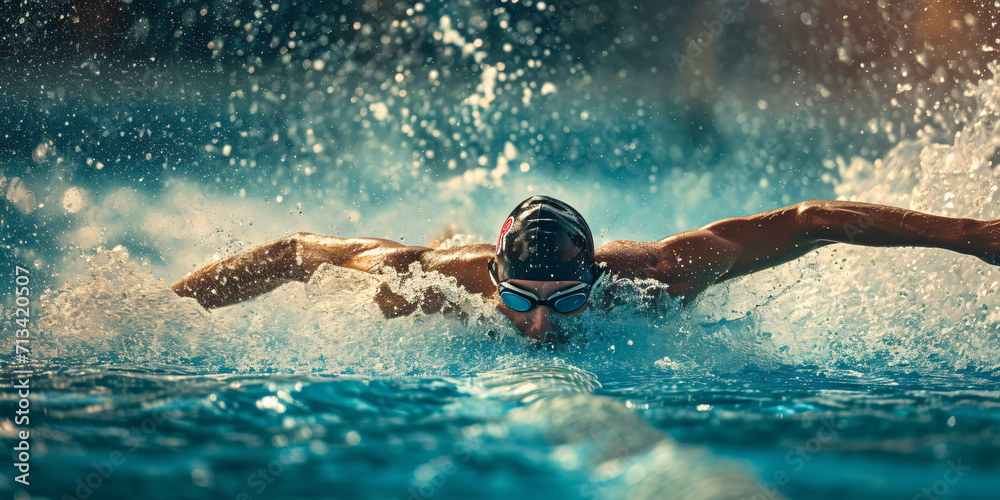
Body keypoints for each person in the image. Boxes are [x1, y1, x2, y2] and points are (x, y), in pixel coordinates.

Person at [171, 196, 1000, 343]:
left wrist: (977, 235)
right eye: (522, 301)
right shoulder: (434, 284)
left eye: (565, 303)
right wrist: (165, 308)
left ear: (596, 281)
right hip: (458, 253)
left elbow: (818, 223)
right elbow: (295, 251)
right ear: (493, 280)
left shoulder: (664, 275)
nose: (539, 326)